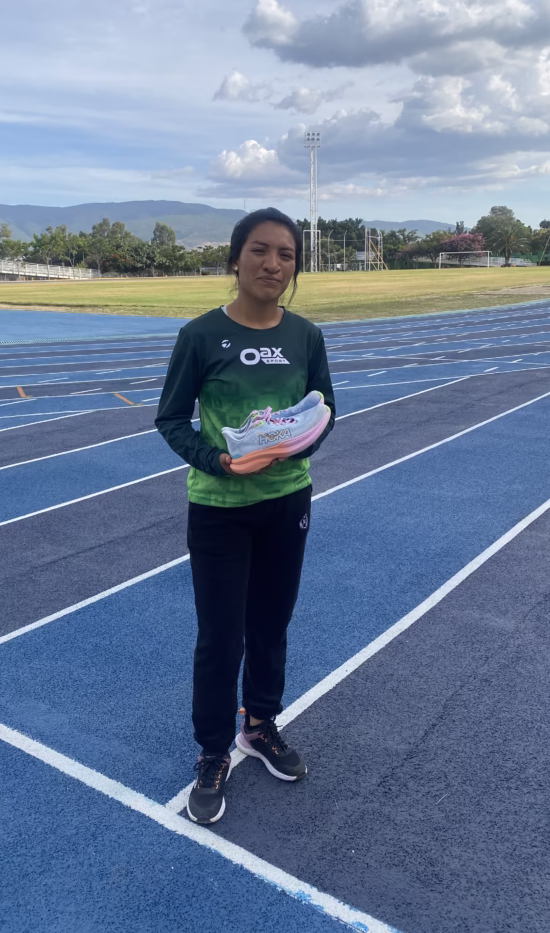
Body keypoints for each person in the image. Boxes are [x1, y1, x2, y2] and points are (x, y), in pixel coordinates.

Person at [155, 207, 335, 824]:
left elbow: (324, 408)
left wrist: (291, 440)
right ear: (236, 258)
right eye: (260, 251)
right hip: (220, 507)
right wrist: (219, 461)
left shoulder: (306, 336)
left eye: (286, 254)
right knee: (220, 636)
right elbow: (171, 420)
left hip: (289, 502)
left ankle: (259, 727)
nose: (273, 264)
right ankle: (212, 752)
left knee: (270, 623)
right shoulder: (201, 335)